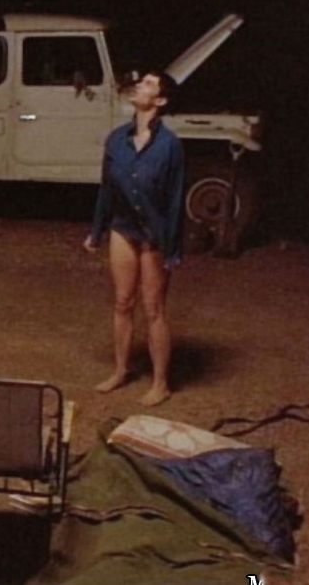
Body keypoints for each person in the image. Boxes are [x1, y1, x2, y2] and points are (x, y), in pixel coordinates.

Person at [83, 71, 184, 406]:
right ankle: (120, 371)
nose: (140, 86)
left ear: (161, 100)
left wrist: (172, 248)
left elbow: (175, 199)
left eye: (149, 85)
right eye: (142, 82)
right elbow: (107, 190)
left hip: (154, 233)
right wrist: (97, 231)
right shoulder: (117, 140)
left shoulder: (170, 145)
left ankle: (160, 383)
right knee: (123, 302)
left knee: (153, 309)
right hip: (123, 228)